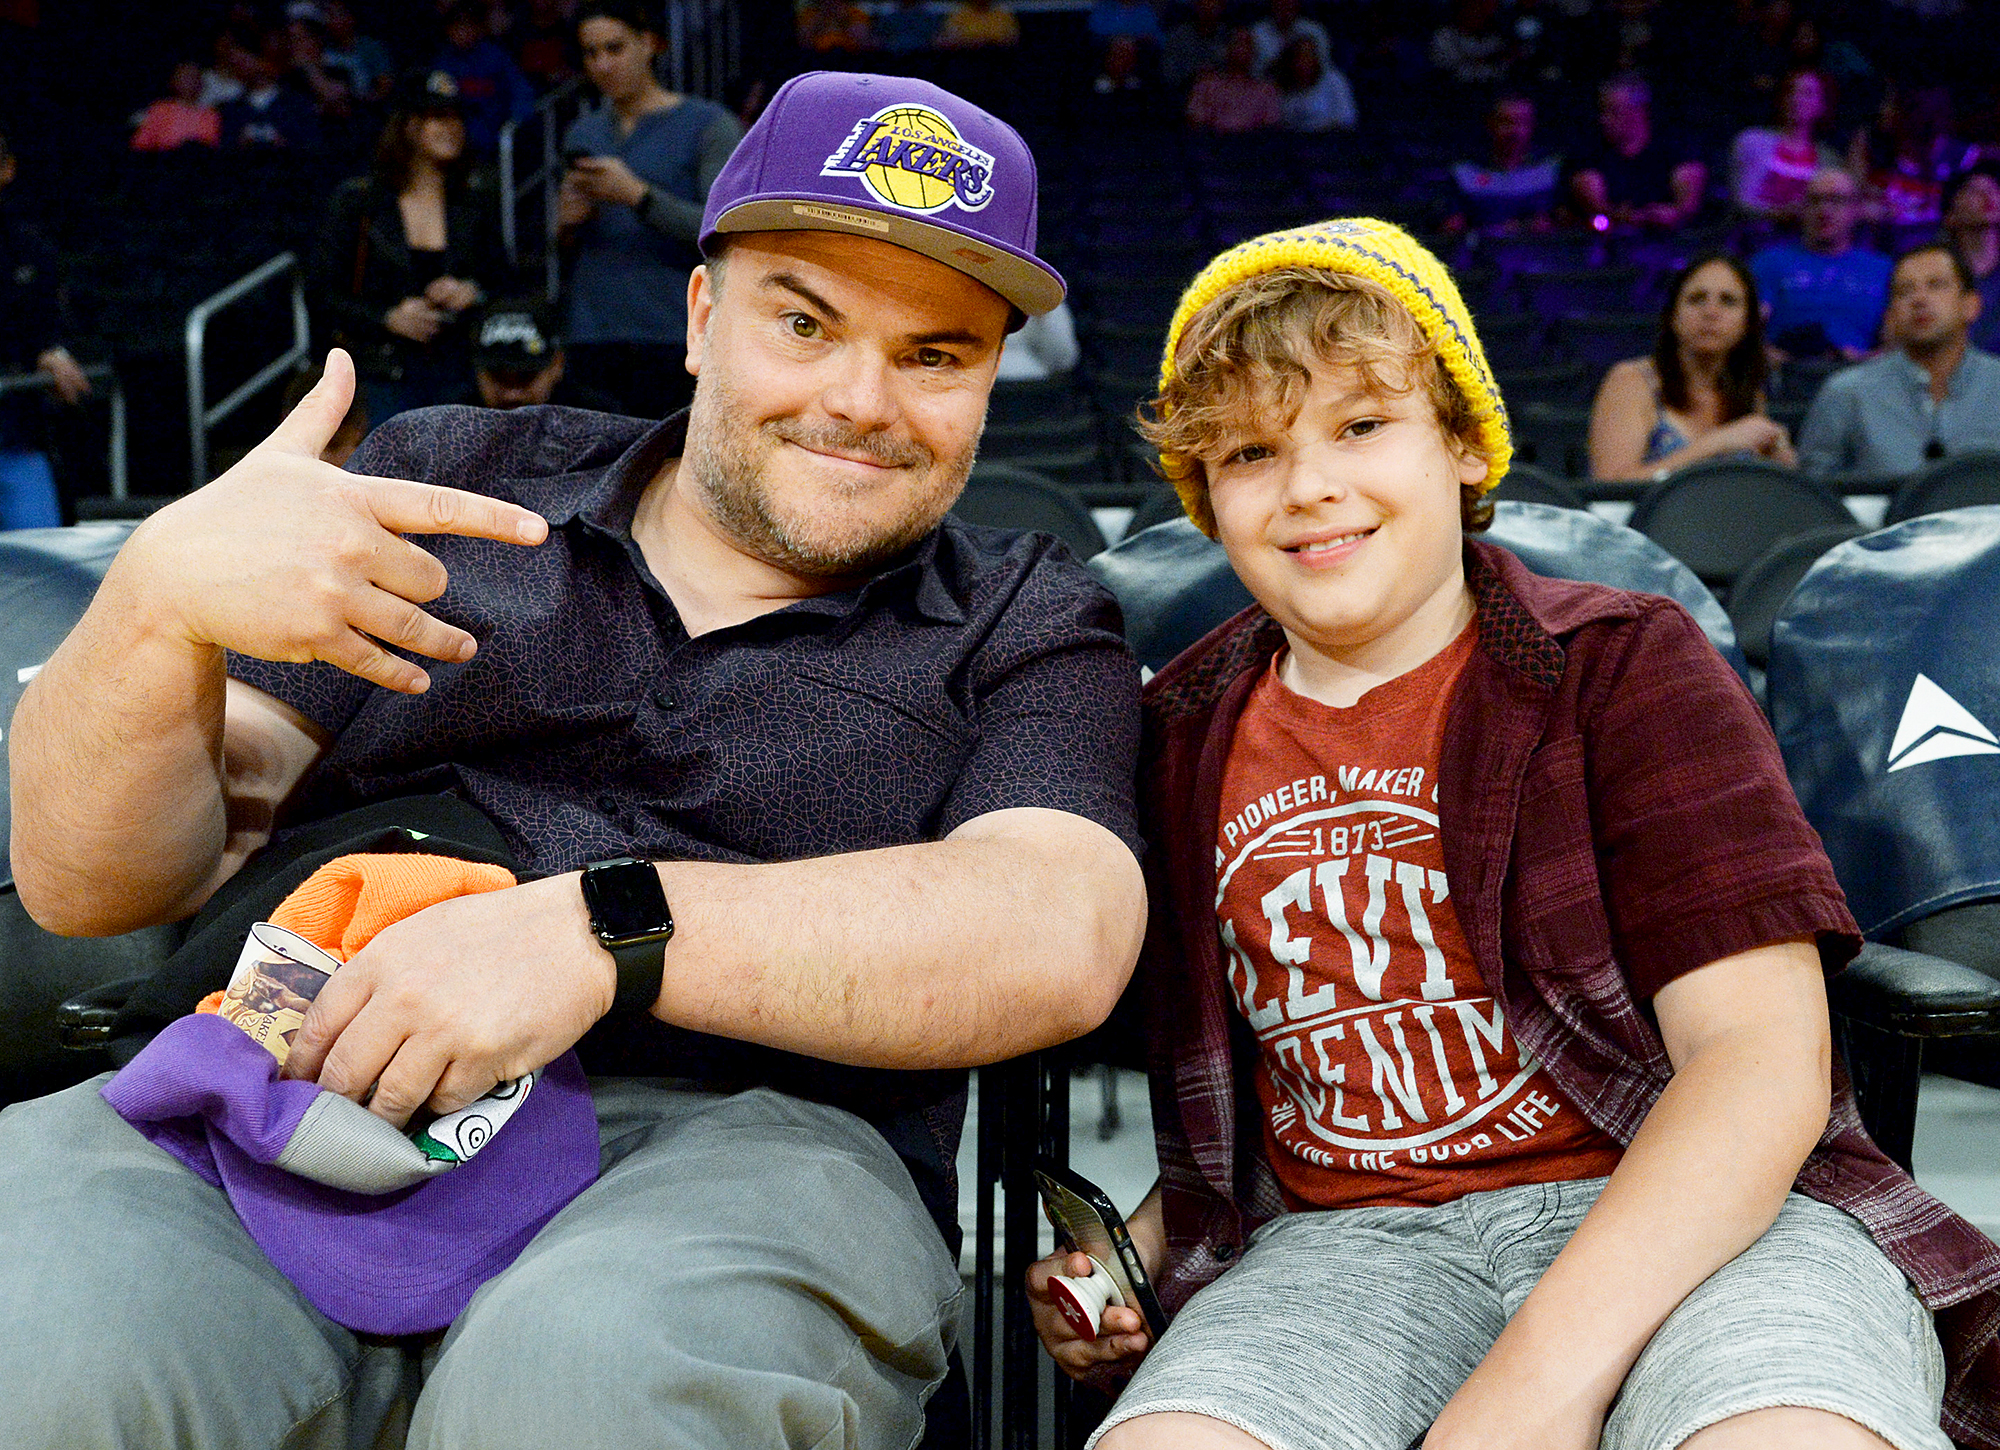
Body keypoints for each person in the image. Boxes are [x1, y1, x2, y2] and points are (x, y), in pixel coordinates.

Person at [0, 69, 1144, 1450]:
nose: (861, 400)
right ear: (701, 316)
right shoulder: (456, 477)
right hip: (289, 1076)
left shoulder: (1020, 609)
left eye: (936, 355)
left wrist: (604, 930)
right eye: (804, 322)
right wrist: (149, 608)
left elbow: (1060, 925)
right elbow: (90, 884)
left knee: (590, 1383)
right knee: (43, 1329)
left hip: (742, 1142)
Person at [1025, 217, 2000, 1450]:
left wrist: (1536, 1381)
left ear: (1462, 441)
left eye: (1360, 425)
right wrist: (1133, 1255)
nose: (1308, 484)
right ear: (1204, 497)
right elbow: (1272, 1092)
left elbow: (1757, 1064)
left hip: (1696, 1214)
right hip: (1343, 1249)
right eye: (1251, 451)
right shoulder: (1177, 732)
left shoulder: (1625, 665)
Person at [559, 0, 742, 421]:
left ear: (648, 43)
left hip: (672, 328)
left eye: (615, 48)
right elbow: (567, 246)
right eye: (591, 53)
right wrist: (565, 224)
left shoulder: (708, 124)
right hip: (593, 328)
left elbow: (724, 228)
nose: (603, 64)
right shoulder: (584, 130)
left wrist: (639, 196)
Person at [310, 69, 504, 425]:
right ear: (408, 126)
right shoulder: (359, 202)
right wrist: (388, 317)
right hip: (380, 373)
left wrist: (471, 292)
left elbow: (504, 281)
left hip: (458, 372)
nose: (452, 127)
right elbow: (323, 293)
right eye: (437, 117)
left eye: (457, 117)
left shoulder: (475, 201)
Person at [1797, 241, 2000, 475]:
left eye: (1936, 285)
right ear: (1890, 315)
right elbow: (1813, 488)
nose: (1919, 299)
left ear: (1971, 305)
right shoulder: (1847, 393)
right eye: (1905, 291)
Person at [1589, 251, 1792, 480]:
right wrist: (1717, 443)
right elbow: (1611, 487)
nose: (1711, 312)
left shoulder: (1749, 393)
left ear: (1747, 322)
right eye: (1696, 299)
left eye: (1728, 301)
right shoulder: (1631, 381)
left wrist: (1780, 464)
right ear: (1673, 316)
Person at [0, 126, 90, 529]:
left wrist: (52, 350)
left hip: (15, 438)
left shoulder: (30, 249)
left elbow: (50, 324)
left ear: (7, 169)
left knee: (40, 554)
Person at [1751, 165, 1891, 360]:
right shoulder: (1769, 263)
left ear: (1856, 209)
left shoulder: (1881, 269)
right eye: (1815, 201)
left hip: (1862, 369)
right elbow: (1747, 332)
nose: (1824, 210)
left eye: (1836, 200)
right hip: (1786, 368)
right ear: (1802, 208)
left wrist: (1864, 361)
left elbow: (1898, 340)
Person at [1567, 73, 1707, 232]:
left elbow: (1688, 205)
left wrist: (1670, 215)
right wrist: (1626, 217)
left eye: (1613, 111)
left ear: (1640, 111)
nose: (1604, 120)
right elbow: (1594, 207)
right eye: (1603, 111)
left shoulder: (1679, 149)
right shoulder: (1588, 155)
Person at [459, 295, 623, 411]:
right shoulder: (454, 424)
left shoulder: (597, 421)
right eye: (498, 377)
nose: (512, 396)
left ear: (557, 365)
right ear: (477, 372)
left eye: (525, 377)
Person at [1730, 67, 1841, 220]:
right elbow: (1740, 202)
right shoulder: (1752, 142)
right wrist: (1778, 214)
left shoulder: (1830, 161)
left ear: (1821, 104)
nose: (1796, 99)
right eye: (1791, 91)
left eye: (1807, 93)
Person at [430, 1, 535, 157]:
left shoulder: (496, 56)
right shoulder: (443, 62)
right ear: (449, 31)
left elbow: (520, 91)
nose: (463, 32)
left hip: (496, 133)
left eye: (468, 26)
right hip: (459, 137)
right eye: (458, 28)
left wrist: (515, 122)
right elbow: (440, 99)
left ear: (479, 28)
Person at [1447, 91, 1560, 234]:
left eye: (1522, 123)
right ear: (1490, 124)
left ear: (1533, 125)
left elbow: (1562, 223)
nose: (1514, 131)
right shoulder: (1465, 172)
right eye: (1506, 122)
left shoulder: (1551, 168)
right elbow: (1453, 228)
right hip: (1485, 246)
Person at [1942, 165, 2000, 350]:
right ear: (1951, 216)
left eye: (1993, 188)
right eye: (1973, 190)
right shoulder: (1938, 275)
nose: (1987, 195)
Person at [1186, 28, 1281, 137]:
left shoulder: (1265, 90)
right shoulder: (1207, 84)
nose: (1243, 49)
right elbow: (1195, 121)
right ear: (1227, 48)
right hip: (1212, 143)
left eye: (1247, 45)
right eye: (1238, 43)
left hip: (1252, 144)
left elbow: (1271, 128)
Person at [130, 59, 222, 152]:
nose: (189, 82)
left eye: (193, 77)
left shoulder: (210, 114)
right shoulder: (160, 109)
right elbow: (140, 144)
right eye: (184, 77)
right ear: (174, 81)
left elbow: (211, 145)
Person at [1273, 35, 1356, 134]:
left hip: (1331, 138)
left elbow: (1347, 119)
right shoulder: (1285, 86)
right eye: (1299, 56)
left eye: (1308, 55)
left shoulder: (1334, 80)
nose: (1304, 60)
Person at [1248, 0, 1330, 79]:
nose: (1285, 7)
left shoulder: (1314, 32)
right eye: (1280, 3)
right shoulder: (1256, 33)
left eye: (1289, 3)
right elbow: (1253, 71)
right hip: (1267, 84)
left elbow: (1324, 66)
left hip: (1310, 85)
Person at [1161, 0, 1229, 93]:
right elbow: (1169, 74)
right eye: (1204, 3)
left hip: (1222, 93)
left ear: (1221, 7)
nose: (1208, 8)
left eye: (1213, 4)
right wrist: (1193, 75)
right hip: (1184, 93)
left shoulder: (1228, 37)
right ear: (1197, 5)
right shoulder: (1179, 37)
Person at [937, 0, 1020, 50]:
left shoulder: (1003, 14)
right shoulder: (959, 15)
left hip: (999, 60)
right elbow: (949, 40)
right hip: (965, 59)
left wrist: (987, 42)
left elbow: (1011, 39)